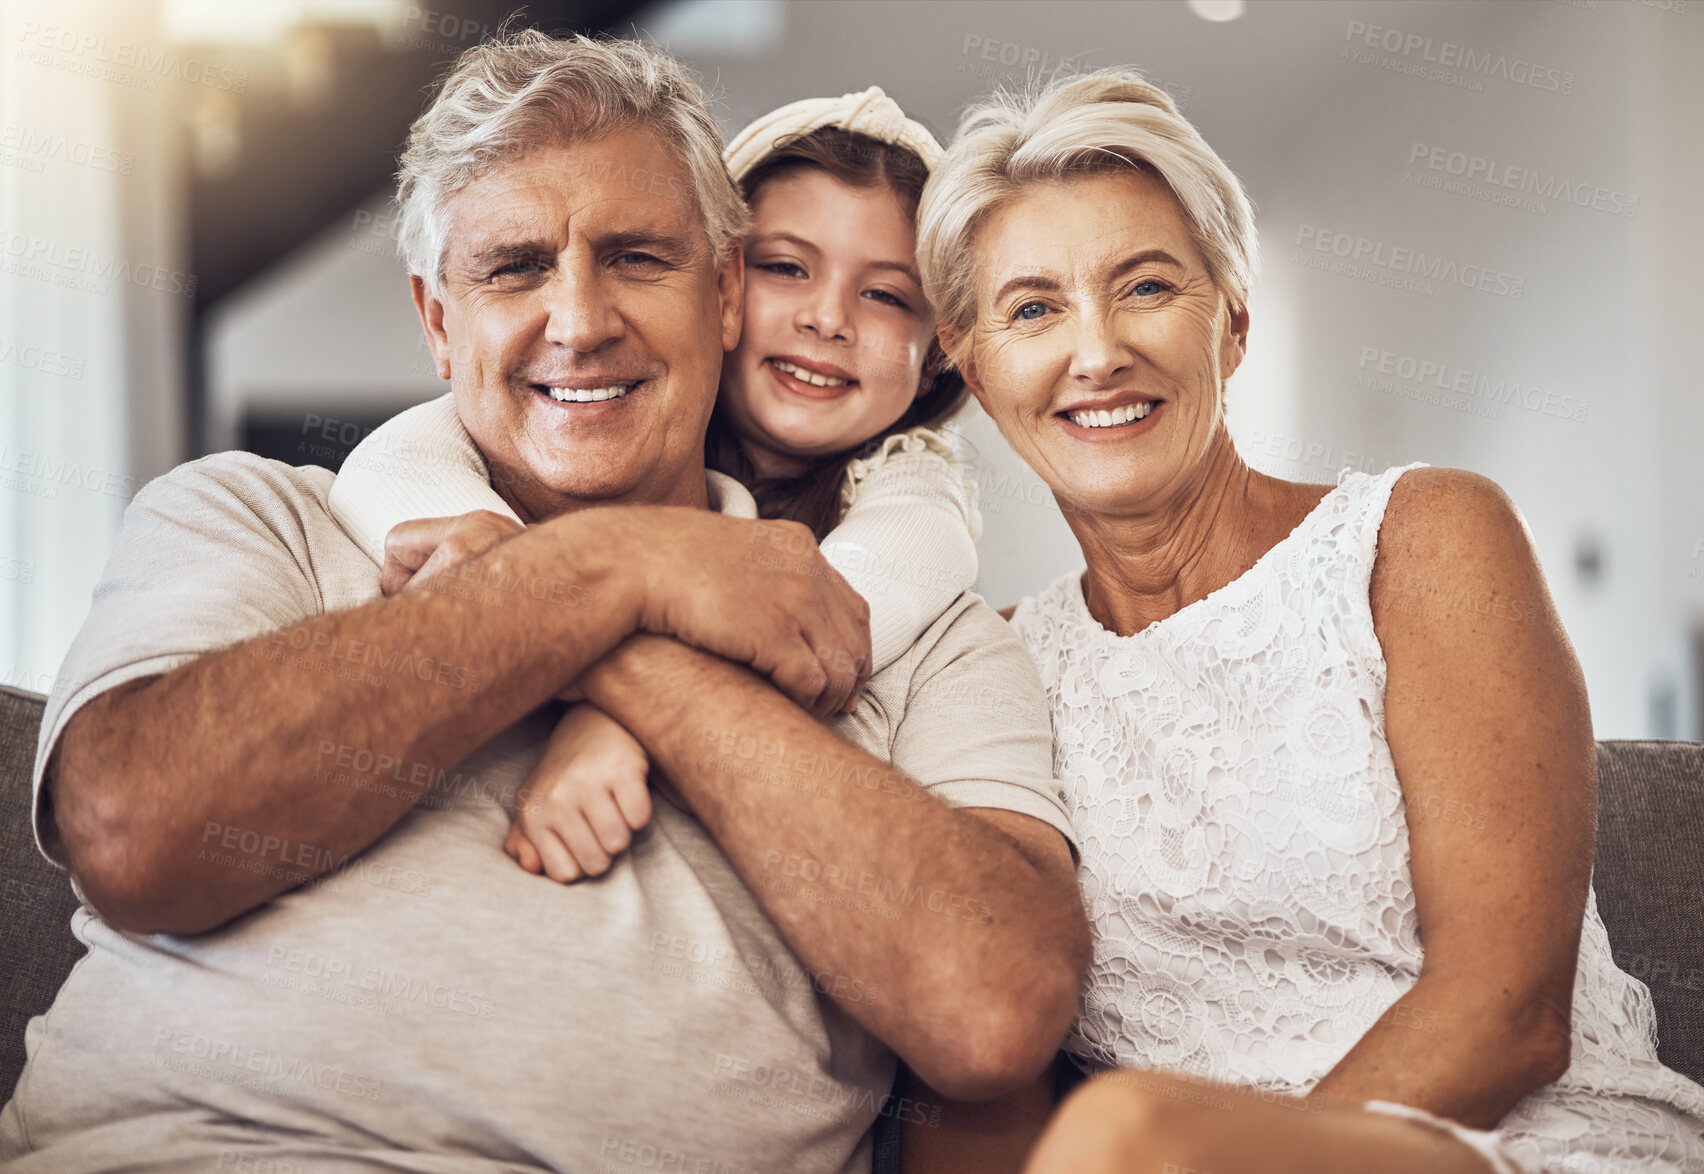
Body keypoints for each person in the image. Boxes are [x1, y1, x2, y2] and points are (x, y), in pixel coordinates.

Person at [0, 32, 1090, 1173]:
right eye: (515, 267)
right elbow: (131, 835)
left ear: (721, 296)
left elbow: (995, 1007)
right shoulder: (254, 516)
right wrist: (598, 572)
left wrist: (617, 628)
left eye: (635, 258)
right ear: (436, 319)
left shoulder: (924, 630)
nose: (578, 322)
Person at [900, 68, 1704, 1173]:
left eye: (1143, 288)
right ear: (977, 372)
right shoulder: (989, 674)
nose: (1096, 351)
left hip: (1522, 1150)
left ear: (1230, 325)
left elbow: (1509, 1011)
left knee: (1126, 1135)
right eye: (1034, 309)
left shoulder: (1420, 541)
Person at [330, 87, 982, 884]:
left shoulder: (911, 485)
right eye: (787, 268)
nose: (828, 318)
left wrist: (617, 716)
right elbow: (390, 464)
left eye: (884, 294)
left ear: (939, 351)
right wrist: (503, 577)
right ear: (726, 292)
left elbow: (834, 614)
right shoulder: (610, 409)